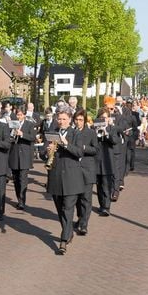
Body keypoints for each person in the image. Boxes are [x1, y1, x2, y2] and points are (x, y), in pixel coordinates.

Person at [46, 108, 86, 255]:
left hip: (71, 177)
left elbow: (79, 152)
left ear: (70, 119)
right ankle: (68, 232)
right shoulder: (52, 133)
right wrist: (48, 151)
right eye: (59, 119)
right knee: (60, 209)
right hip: (56, 176)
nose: (61, 121)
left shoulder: (76, 134)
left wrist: (66, 144)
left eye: (64, 119)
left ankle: (63, 241)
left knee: (68, 209)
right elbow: (45, 154)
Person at [73, 108, 98, 236]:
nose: (78, 122)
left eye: (81, 120)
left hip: (87, 169)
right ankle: (80, 218)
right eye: (76, 120)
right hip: (75, 170)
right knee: (77, 199)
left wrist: (83, 147)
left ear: (85, 120)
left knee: (86, 199)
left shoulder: (91, 133)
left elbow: (95, 149)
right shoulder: (71, 133)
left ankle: (84, 225)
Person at [8, 106, 36, 210]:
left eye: (20, 115)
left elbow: (33, 138)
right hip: (14, 154)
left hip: (24, 155)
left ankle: (22, 201)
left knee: (23, 178)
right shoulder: (13, 124)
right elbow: (9, 138)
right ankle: (18, 198)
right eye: (17, 115)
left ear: (24, 115)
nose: (18, 117)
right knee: (15, 179)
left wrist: (22, 134)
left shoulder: (30, 124)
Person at [94, 109, 116, 217]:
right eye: (102, 117)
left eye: (106, 117)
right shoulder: (94, 129)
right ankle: (102, 204)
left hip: (107, 161)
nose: (104, 119)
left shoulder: (111, 129)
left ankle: (106, 207)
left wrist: (106, 132)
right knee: (99, 185)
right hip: (97, 161)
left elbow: (114, 141)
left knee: (107, 185)